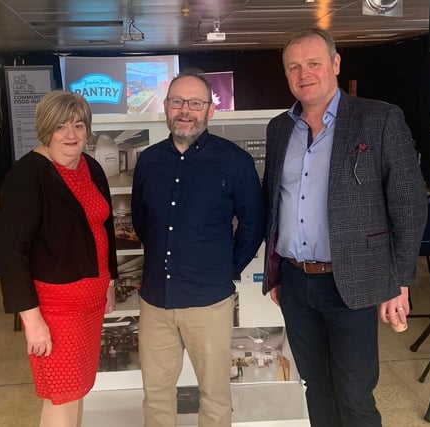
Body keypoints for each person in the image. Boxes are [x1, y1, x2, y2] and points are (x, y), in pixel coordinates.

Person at [262, 29, 427, 427]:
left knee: (354, 394)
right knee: (315, 387)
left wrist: (398, 281)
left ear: (336, 64)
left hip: (353, 280)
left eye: (314, 63)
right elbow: (274, 201)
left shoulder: (378, 118)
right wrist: (275, 272)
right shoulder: (279, 128)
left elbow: (408, 202)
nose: (305, 74)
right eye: (294, 67)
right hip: (296, 284)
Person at [131, 69, 265, 427]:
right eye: (177, 102)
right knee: (156, 395)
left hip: (209, 302)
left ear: (210, 110)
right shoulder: (148, 161)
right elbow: (143, 222)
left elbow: (253, 225)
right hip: (156, 301)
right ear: (166, 107)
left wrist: (223, 268)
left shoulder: (235, 162)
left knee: (215, 395)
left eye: (195, 103)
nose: (185, 111)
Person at [0, 90, 118, 427]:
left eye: (78, 126)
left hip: (90, 304)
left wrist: (109, 280)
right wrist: (32, 322)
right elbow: (11, 254)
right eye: (61, 126)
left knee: (76, 391)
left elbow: (104, 226)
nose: (71, 135)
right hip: (54, 310)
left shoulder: (90, 167)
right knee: (61, 395)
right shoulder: (26, 177)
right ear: (45, 128)